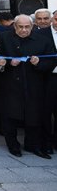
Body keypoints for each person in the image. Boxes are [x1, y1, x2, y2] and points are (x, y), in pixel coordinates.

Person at [0, 14, 55, 159]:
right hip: (11, 84)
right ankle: (13, 146)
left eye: (27, 27)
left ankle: (33, 145)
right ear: (14, 26)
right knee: (10, 117)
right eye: (20, 27)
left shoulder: (43, 40)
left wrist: (38, 63)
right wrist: (7, 63)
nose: (24, 30)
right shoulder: (3, 37)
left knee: (34, 116)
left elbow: (52, 61)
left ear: (32, 26)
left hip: (34, 84)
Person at [37, 10, 57, 153]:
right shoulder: (40, 35)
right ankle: (46, 143)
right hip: (48, 78)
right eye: (56, 19)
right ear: (52, 20)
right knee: (45, 111)